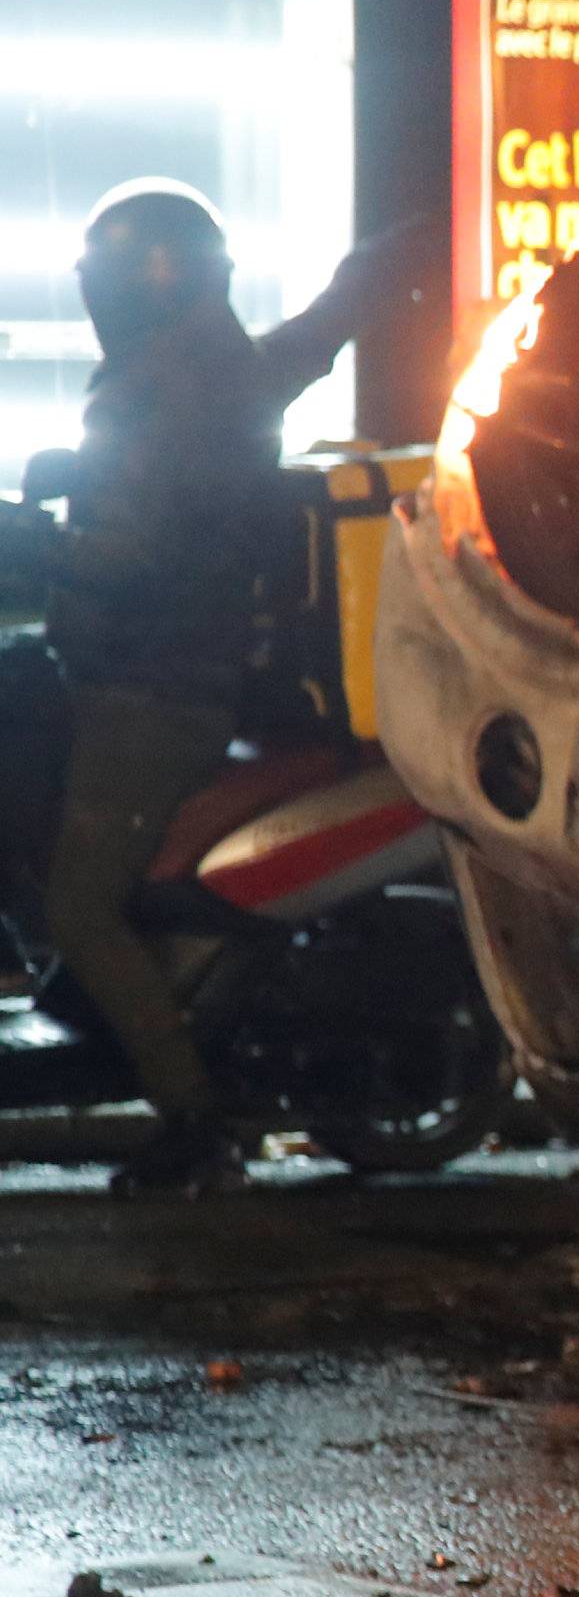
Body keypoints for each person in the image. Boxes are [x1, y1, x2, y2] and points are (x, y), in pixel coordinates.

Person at [2, 180, 422, 1200]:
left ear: (136, 289)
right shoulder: (206, 367)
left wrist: (34, 542)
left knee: (82, 903)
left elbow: (131, 552)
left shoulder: (168, 390)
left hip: (153, 694)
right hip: (132, 673)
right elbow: (315, 334)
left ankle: (195, 1118)